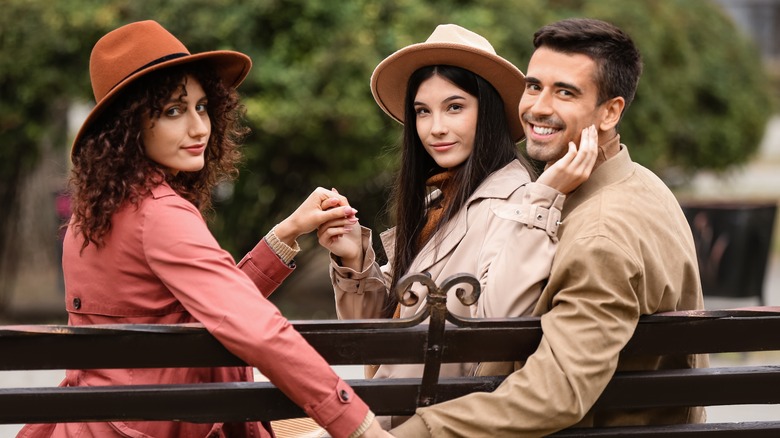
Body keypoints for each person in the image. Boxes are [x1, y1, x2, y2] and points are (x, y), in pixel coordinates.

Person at [16, 20, 390, 438]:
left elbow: (202, 309)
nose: (199, 128)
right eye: (173, 111)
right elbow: (256, 328)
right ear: (128, 127)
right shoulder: (159, 215)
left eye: (201, 106)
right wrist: (359, 426)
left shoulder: (93, 214)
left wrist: (287, 233)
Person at [388, 18, 709, 437]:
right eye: (534, 85)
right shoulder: (638, 183)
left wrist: (414, 432)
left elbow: (556, 394)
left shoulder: (599, 234)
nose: (538, 107)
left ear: (611, 111)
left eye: (565, 92)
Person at [316, 24, 596, 429]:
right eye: (422, 111)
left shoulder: (517, 203)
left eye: (454, 107)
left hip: (436, 426)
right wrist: (354, 261)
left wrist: (543, 198)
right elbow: (379, 338)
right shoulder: (440, 200)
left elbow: (498, 328)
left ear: (488, 112)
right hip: (391, 419)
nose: (435, 128)